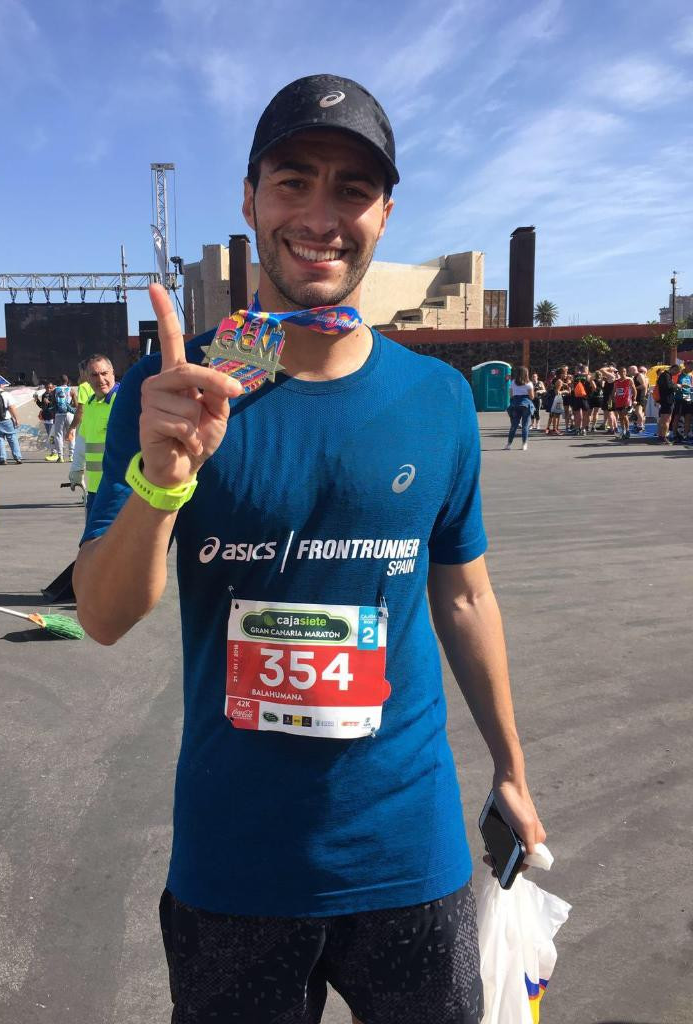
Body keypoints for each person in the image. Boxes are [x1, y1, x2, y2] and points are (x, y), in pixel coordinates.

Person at [73, 74, 545, 1024]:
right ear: (249, 199)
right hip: (236, 864)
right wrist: (162, 481)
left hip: (407, 857)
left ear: (385, 213)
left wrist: (512, 769)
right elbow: (104, 616)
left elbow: (464, 598)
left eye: (351, 189)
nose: (321, 215)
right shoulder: (170, 391)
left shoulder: (437, 401)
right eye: (294, 181)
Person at [68, 355, 119, 516]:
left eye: (104, 373)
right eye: (94, 375)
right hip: (95, 489)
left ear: (113, 373)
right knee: (94, 539)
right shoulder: (90, 404)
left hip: (120, 489)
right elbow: (83, 440)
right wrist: (76, 469)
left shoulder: (124, 401)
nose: (101, 379)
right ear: (87, 378)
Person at [46, 373, 77, 463]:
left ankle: (60, 456)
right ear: (67, 381)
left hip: (59, 415)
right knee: (71, 434)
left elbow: (52, 404)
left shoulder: (55, 390)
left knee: (59, 435)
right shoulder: (71, 390)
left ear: (58, 382)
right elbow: (76, 404)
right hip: (69, 414)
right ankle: (71, 456)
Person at [505, 365, 535, 450]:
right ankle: (524, 444)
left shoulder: (513, 382)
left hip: (515, 404)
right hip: (526, 404)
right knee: (525, 425)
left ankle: (509, 444)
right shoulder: (529, 383)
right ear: (526, 374)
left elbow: (510, 395)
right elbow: (532, 397)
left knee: (514, 425)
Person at [612, 367, 636, 441]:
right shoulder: (616, 381)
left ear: (626, 372)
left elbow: (634, 390)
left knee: (624, 415)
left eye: (624, 371)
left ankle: (627, 430)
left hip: (626, 401)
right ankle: (623, 431)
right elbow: (614, 391)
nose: (623, 373)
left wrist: (634, 399)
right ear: (619, 373)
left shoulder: (629, 380)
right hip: (618, 401)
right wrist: (613, 399)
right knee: (621, 417)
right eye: (621, 372)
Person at [34, 380, 57, 451]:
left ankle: (55, 451)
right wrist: (37, 399)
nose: (48, 389)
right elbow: (42, 406)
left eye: (50, 388)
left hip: (52, 417)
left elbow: (56, 405)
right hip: (46, 417)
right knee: (49, 435)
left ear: (53, 387)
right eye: (47, 388)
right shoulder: (44, 394)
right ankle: (53, 450)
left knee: (52, 435)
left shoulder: (54, 394)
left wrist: (49, 402)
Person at [570, 363, 591, 436]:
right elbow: (593, 386)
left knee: (577, 414)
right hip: (585, 397)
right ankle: (584, 429)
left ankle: (577, 429)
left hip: (576, 397)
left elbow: (571, 386)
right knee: (585, 414)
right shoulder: (587, 376)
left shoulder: (574, 377)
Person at [631, 366, 648, 434]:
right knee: (640, 412)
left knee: (639, 412)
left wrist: (634, 388)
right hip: (641, 396)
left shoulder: (641, 376)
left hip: (641, 397)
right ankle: (640, 425)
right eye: (640, 371)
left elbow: (644, 386)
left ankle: (640, 426)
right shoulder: (639, 376)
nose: (641, 372)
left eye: (642, 371)